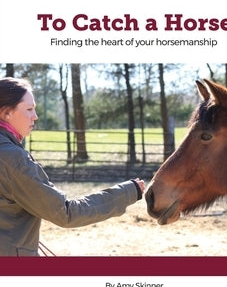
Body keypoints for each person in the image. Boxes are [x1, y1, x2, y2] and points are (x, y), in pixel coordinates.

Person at [0, 77, 145, 256]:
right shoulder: (13, 159)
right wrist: (127, 192)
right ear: (6, 113)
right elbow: (66, 213)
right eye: (29, 109)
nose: (35, 116)